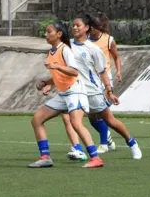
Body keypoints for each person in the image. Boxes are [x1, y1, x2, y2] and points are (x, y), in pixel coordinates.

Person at [58, 14, 142, 161]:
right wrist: (48, 83)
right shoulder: (67, 46)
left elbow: (102, 72)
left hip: (92, 91)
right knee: (70, 119)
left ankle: (132, 142)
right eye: (73, 25)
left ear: (87, 28)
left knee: (110, 121)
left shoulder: (93, 49)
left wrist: (109, 91)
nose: (74, 27)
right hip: (74, 91)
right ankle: (78, 149)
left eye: (78, 25)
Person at [29, 22, 103, 168]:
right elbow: (59, 74)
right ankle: (45, 157)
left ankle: (96, 158)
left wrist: (57, 66)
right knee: (36, 120)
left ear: (59, 34)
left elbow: (74, 71)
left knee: (76, 123)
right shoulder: (51, 52)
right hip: (64, 94)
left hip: (76, 91)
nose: (45, 34)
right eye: (45, 32)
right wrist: (46, 82)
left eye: (49, 31)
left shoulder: (65, 50)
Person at [84, 12, 122, 153]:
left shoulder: (108, 40)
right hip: (90, 80)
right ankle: (108, 139)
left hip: (105, 79)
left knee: (102, 112)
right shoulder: (85, 41)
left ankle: (104, 144)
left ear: (99, 27)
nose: (91, 29)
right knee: (92, 115)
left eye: (93, 27)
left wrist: (118, 71)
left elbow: (116, 57)